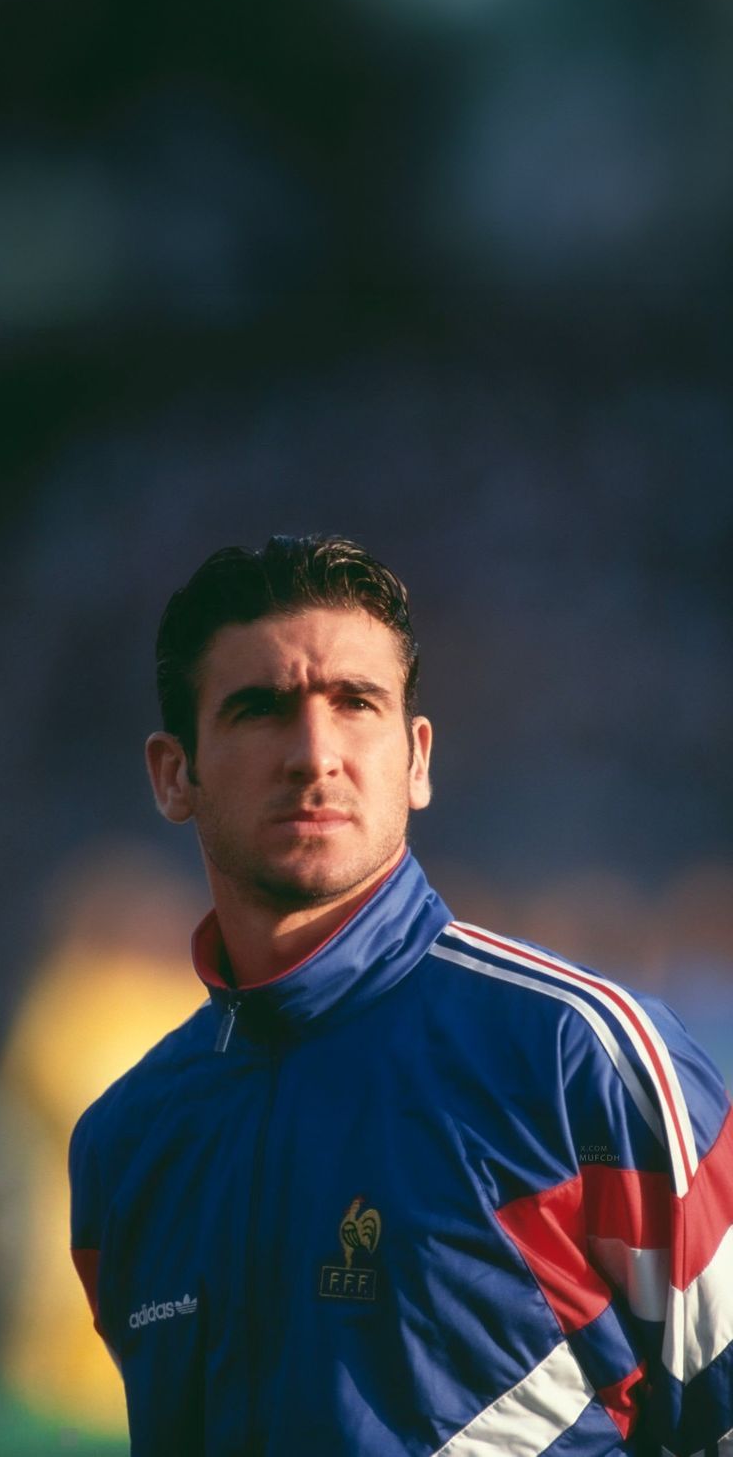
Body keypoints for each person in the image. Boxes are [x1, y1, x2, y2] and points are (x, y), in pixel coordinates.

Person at [69, 534, 733, 1457]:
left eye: (355, 703)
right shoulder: (123, 1143)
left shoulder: (578, 1057)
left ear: (417, 758)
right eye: (261, 709)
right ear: (174, 774)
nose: (314, 753)